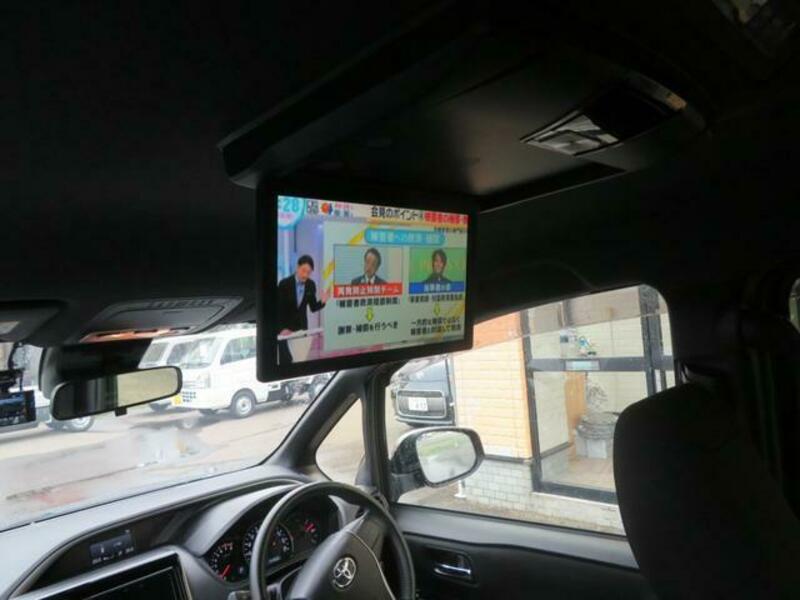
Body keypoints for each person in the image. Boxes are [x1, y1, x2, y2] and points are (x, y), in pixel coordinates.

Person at [277, 255, 327, 364]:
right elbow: (277, 310)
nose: (305, 275)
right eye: (303, 270)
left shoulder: (311, 285)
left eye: (309, 272)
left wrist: (323, 301)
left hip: (301, 330)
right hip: (286, 331)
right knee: (286, 362)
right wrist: (281, 329)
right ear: (297, 267)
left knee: (300, 361)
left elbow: (313, 307)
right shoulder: (284, 284)